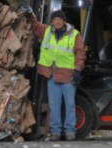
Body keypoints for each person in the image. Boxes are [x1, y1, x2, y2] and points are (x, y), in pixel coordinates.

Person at [23, 8, 85, 141]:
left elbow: (80, 53)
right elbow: (34, 24)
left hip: (68, 76)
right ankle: (55, 131)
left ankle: (70, 131)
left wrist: (78, 70)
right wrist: (30, 13)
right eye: (55, 20)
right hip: (52, 75)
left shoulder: (74, 34)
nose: (57, 22)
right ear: (52, 21)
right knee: (54, 105)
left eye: (59, 20)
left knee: (69, 104)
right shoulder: (47, 31)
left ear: (63, 21)